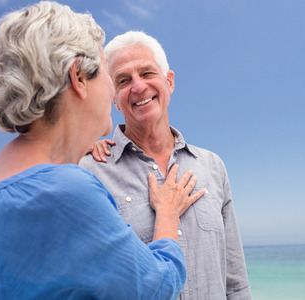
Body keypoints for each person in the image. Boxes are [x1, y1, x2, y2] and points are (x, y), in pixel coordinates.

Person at [0, 2, 205, 299]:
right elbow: (157, 288)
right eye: (110, 76)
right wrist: (169, 215)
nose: (112, 93)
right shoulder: (67, 191)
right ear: (79, 78)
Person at [79, 31, 252, 299]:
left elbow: (236, 283)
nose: (138, 87)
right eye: (123, 80)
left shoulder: (212, 166)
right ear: (113, 98)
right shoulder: (90, 170)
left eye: (147, 73)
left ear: (169, 82)